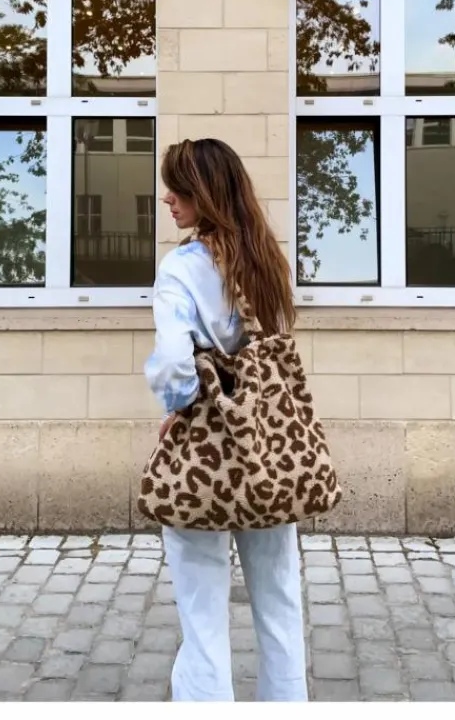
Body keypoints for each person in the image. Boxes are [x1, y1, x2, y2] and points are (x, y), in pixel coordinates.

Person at [143, 138, 308, 703]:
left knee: (202, 604)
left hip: (205, 448)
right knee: (278, 593)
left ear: (206, 194)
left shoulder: (182, 268)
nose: (168, 198)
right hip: (264, 444)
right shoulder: (266, 260)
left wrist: (178, 405)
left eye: (179, 189)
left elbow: (173, 361)